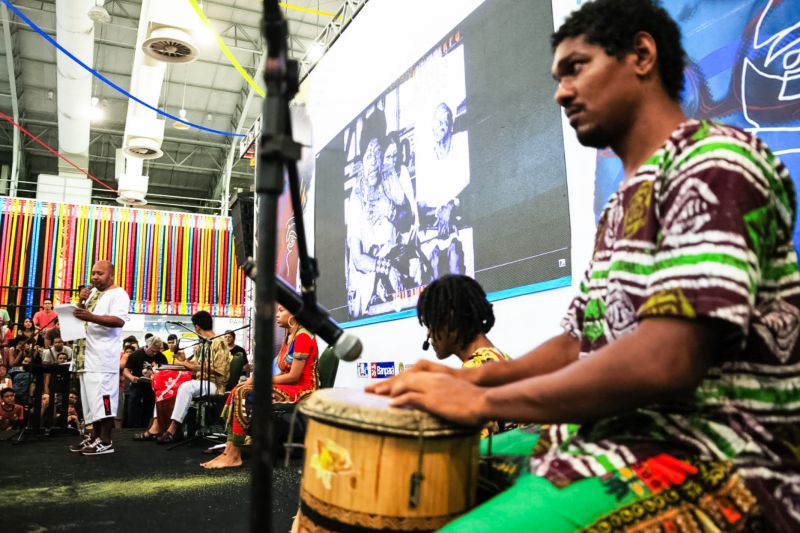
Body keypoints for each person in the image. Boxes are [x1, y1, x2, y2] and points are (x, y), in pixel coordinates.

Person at [369, 1, 800, 529]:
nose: (561, 92)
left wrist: (480, 400)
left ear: (641, 55)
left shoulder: (713, 164)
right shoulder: (621, 206)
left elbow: (668, 360)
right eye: (557, 77)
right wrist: (469, 383)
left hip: (714, 454)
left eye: (576, 67)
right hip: (619, 434)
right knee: (422, 473)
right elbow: (577, 343)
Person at [68, 261, 130, 456]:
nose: (94, 277)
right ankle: (94, 436)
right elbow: (81, 316)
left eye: (99, 274)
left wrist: (90, 317)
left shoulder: (119, 294)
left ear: (110, 276)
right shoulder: (93, 292)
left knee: (104, 401)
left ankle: (106, 440)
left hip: (102, 359)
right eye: (93, 273)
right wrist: (81, 302)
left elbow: (118, 321)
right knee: (90, 403)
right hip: (85, 357)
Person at [157, 310, 230, 444]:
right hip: (200, 382)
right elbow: (196, 365)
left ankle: (173, 429)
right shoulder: (200, 344)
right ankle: (157, 426)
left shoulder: (219, 342)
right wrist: (185, 360)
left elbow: (221, 370)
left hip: (215, 384)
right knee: (166, 385)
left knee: (186, 386)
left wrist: (192, 366)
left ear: (197, 327)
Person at [272, 305, 319, 404]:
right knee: (243, 388)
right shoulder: (289, 337)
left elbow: (293, 377)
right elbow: (285, 373)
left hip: (304, 389)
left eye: (281, 311)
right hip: (292, 386)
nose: (277, 315)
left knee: (244, 392)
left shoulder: (303, 335)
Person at [123, 335, 167, 429]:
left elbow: (165, 372)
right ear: (147, 346)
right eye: (152, 351)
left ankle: (146, 428)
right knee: (133, 404)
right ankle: (131, 428)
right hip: (137, 384)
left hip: (153, 386)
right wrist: (131, 377)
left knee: (150, 407)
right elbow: (126, 370)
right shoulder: (136, 355)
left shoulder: (161, 356)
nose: (154, 353)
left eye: (157, 351)